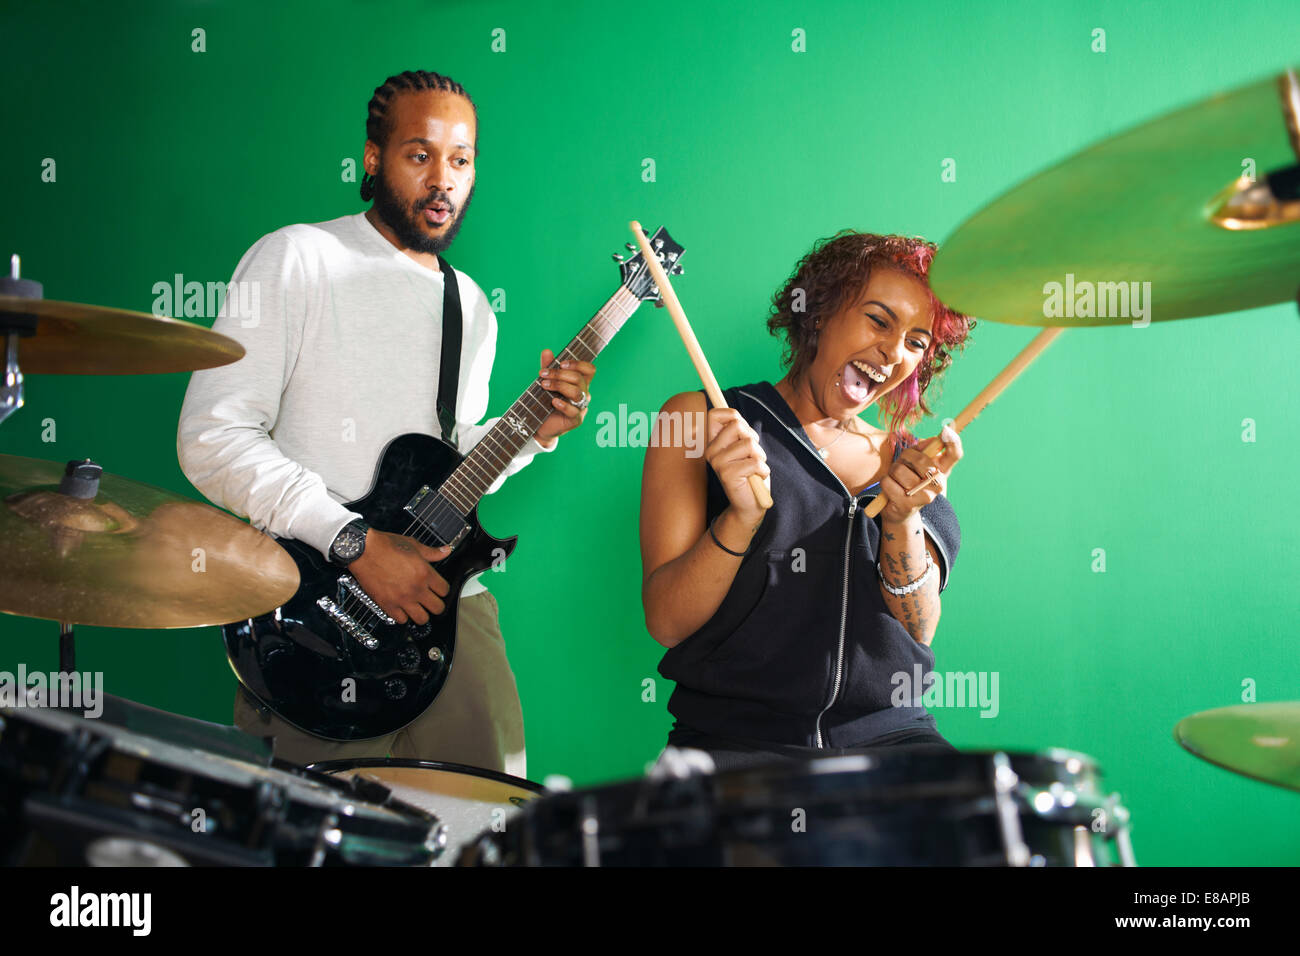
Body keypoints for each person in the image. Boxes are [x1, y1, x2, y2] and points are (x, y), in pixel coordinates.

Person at [178, 70, 595, 775]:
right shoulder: (297, 256)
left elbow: (446, 462)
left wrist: (534, 430)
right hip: (314, 617)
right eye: (419, 154)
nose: (444, 180)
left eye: (461, 160)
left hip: (448, 616)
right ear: (373, 158)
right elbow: (213, 438)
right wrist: (354, 543)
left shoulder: (469, 305)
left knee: (487, 831)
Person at [640, 231, 974, 771]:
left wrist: (903, 517)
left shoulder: (912, 462)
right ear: (819, 313)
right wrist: (741, 519)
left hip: (891, 739)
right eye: (879, 320)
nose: (893, 353)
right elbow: (667, 621)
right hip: (732, 743)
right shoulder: (699, 419)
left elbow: (919, 627)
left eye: (916, 341)